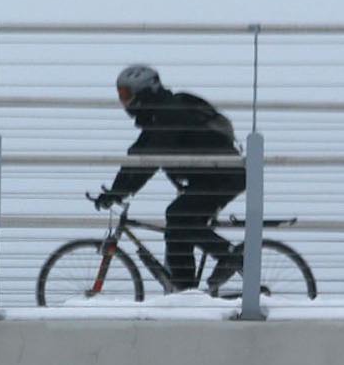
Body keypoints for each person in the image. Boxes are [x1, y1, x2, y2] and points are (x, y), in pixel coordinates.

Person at [93, 64, 243, 292]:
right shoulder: (159, 116)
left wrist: (121, 192)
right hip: (212, 177)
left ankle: (229, 256)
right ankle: (185, 292)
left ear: (144, 92)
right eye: (121, 96)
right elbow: (137, 156)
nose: (124, 102)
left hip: (224, 176)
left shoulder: (171, 114)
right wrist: (116, 190)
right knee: (177, 227)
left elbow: (150, 160)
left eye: (126, 95)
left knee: (178, 216)